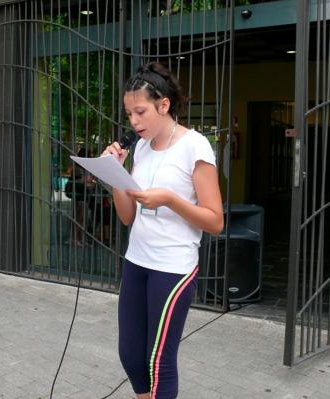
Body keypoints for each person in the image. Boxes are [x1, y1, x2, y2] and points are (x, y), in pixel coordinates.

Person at [102, 62, 223, 399]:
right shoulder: (140, 147)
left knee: (159, 362)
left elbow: (215, 221)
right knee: (130, 355)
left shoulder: (195, 146)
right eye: (128, 114)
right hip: (137, 260)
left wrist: (170, 200)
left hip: (173, 267)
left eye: (140, 111)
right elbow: (128, 217)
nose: (133, 122)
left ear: (164, 105)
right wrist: (115, 175)